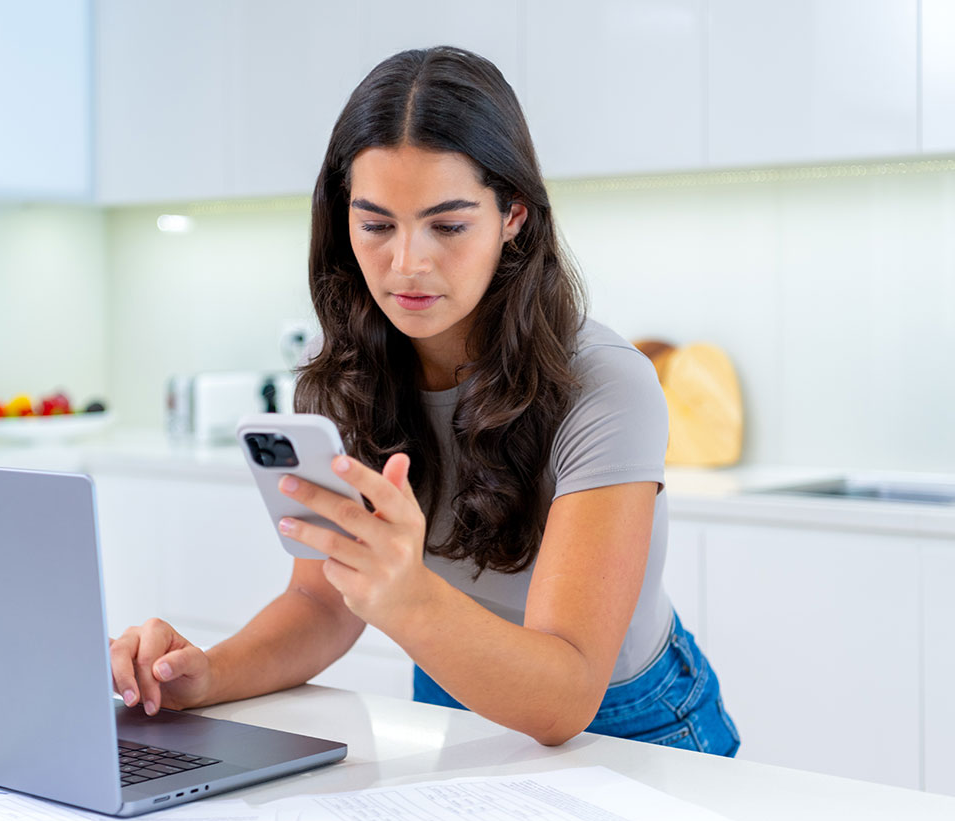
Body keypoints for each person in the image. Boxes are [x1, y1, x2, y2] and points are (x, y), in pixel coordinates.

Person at [110, 46, 740, 755]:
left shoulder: (606, 385)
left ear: (514, 216)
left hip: (633, 720)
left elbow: (566, 693)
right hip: (456, 693)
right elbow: (322, 602)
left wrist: (406, 597)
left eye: (447, 224)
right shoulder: (346, 379)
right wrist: (203, 675)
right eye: (376, 224)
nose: (407, 263)